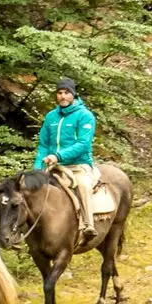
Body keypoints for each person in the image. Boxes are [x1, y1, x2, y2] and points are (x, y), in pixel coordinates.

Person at [36, 77, 98, 238]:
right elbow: (43, 145)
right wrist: (37, 170)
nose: (63, 96)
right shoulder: (51, 117)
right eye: (59, 93)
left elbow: (83, 144)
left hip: (78, 165)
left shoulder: (85, 116)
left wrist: (58, 156)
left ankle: (88, 224)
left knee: (83, 185)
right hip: (52, 166)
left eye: (66, 93)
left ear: (73, 94)